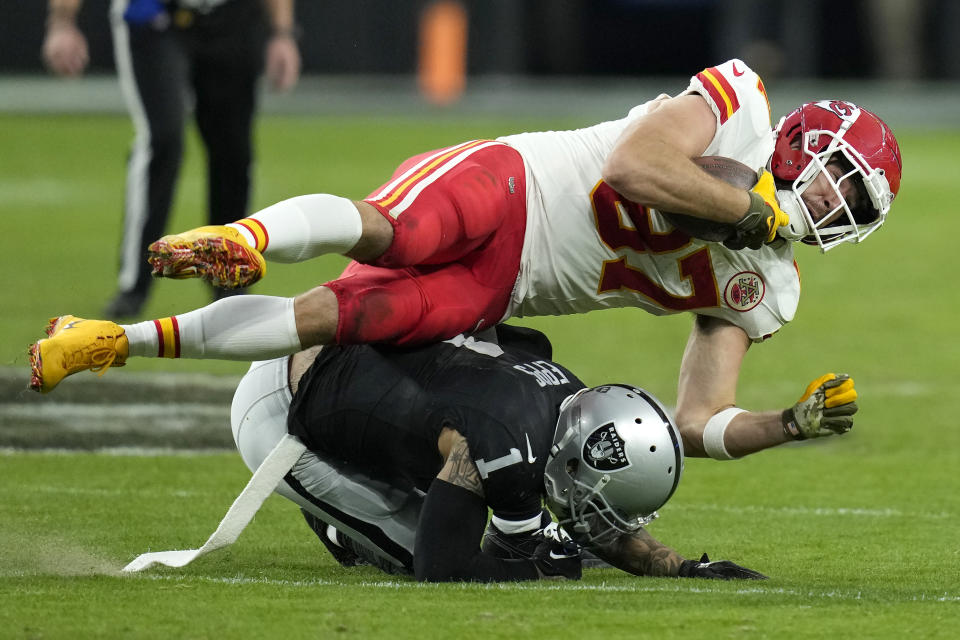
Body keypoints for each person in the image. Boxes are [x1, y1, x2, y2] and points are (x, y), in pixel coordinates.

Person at [30, 59, 892, 462]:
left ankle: (111, 339)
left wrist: (786, 427)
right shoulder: (738, 103)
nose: (834, 211)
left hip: (509, 283)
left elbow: (696, 420)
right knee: (393, 231)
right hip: (521, 181)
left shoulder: (766, 289)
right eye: (839, 186)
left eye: (852, 210)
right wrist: (748, 207)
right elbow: (637, 168)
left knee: (337, 318)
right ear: (807, 143)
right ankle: (248, 239)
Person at [228, 324, 766, 581]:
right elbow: (442, 570)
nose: (608, 515)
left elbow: (592, 516)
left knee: (523, 529)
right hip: (280, 411)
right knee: (417, 549)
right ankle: (336, 524)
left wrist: (680, 568)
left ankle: (385, 467)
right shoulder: (503, 442)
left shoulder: (568, 400)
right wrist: (539, 572)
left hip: (361, 363)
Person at [41, 0, 301, 317]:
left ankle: (228, 278)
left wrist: (282, 33)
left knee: (233, 150)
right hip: (154, 14)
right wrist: (62, 22)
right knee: (162, 140)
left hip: (231, 18)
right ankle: (134, 283)